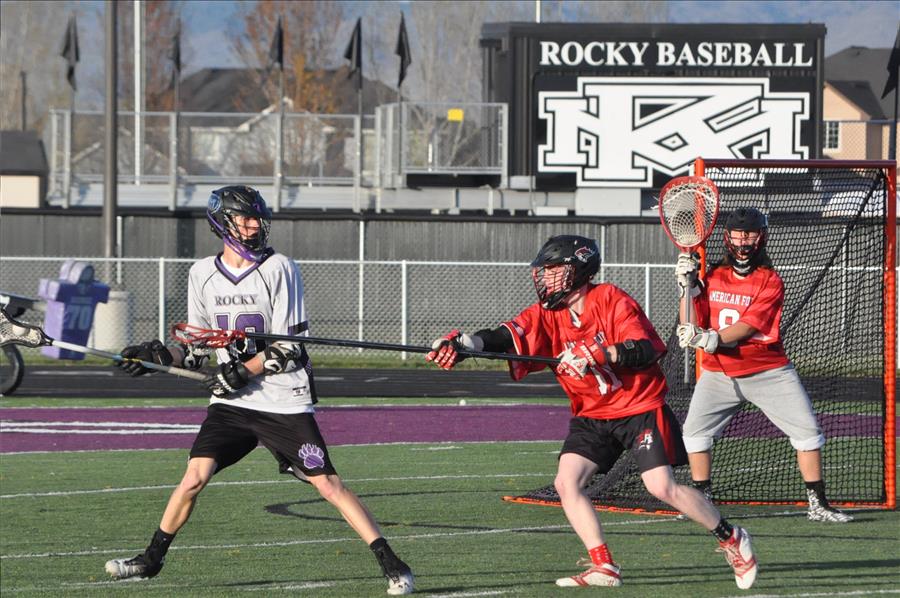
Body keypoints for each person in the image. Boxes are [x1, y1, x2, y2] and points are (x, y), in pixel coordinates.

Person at [104, 185, 414, 595]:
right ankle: (151, 560)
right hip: (232, 403)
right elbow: (198, 349)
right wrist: (158, 356)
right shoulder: (201, 274)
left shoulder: (279, 268)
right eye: (245, 218)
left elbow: (289, 347)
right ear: (222, 222)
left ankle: (393, 564)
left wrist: (241, 372)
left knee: (327, 484)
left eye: (257, 219)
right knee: (194, 477)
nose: (254, 226)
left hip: (283, 399)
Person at [426, 234, 758, 589]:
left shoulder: (610, 299)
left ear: (578, 270)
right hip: (592, 414)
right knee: (566, 482)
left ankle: (730, 537)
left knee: (662, 487)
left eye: (554, 270)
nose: (546, 277)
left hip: (638, 407)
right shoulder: (546, 314)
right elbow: (503, 337)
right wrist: (462, 345)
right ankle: (604, 565)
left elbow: (645, 348)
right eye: (545, 271)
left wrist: (600, 354)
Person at [675, 207, 852, 523]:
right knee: (694, 434)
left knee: (807, 433)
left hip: (767, 372)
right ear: (727, 237)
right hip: (719, 373)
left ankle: (818, 504)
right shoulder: (712, 276)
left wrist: (709, 339)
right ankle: (702, 502)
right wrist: (686, 286)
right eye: (738, 235)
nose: (743, 241)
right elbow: (690, 323)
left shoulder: (770, 281)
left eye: (750, 234)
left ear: (762, 237)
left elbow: (746, 327)